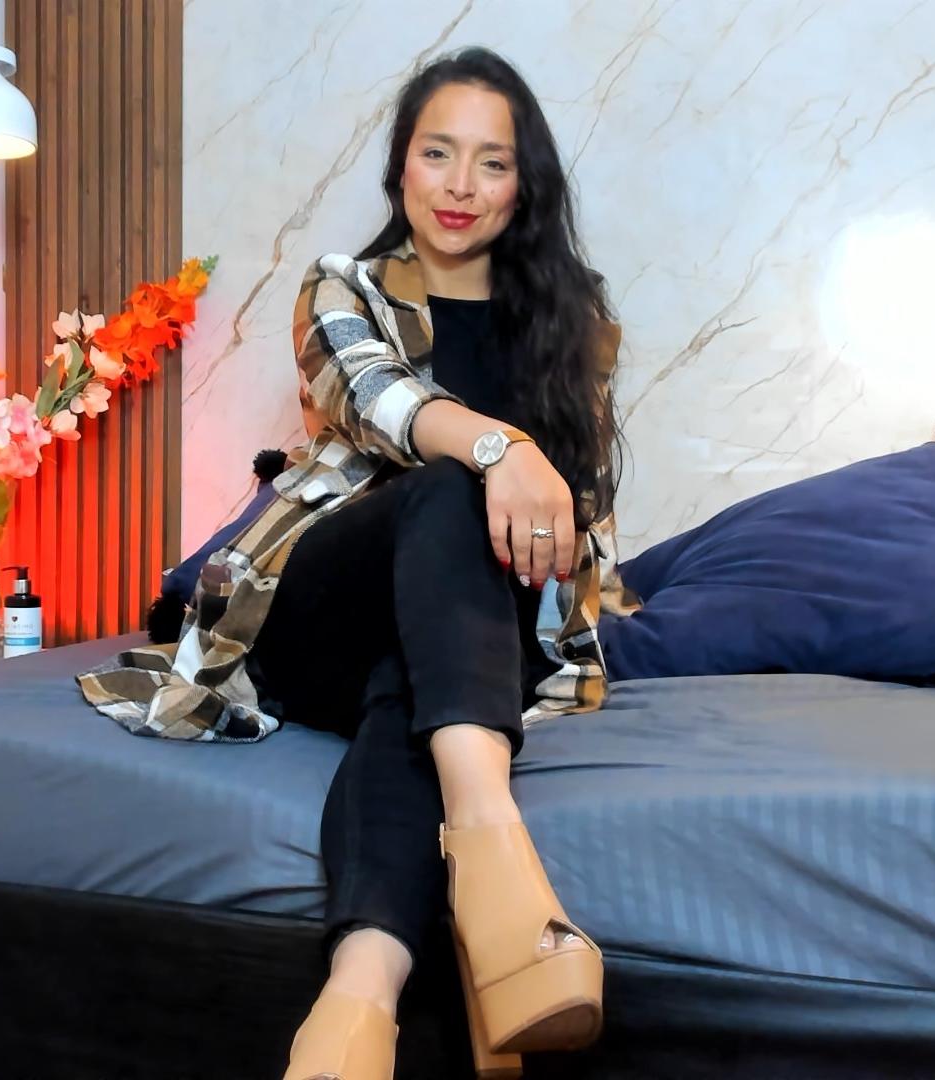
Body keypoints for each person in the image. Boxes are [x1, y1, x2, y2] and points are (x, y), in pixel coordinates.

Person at [76, 44, 634, 1080]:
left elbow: (577, 520)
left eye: (493, 163)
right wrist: (502, 448)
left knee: (412, 689)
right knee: (449, 490)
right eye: (437, 153)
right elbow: (377, 399)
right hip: (322, 612)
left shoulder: (573, 322)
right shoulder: (346, 287)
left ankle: (356, 1004)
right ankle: (499, 875)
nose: (460, 185)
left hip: (464, 641)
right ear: (399, 167)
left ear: (525, 186)